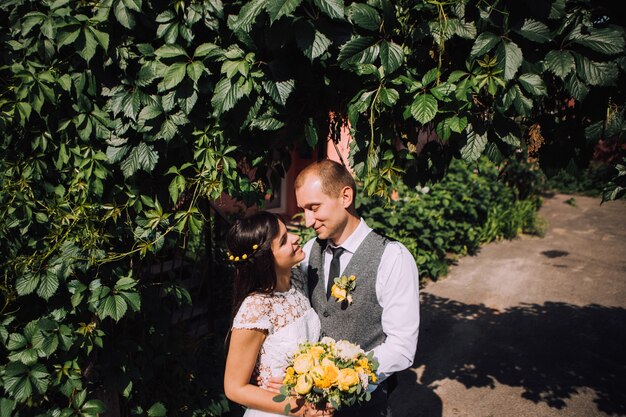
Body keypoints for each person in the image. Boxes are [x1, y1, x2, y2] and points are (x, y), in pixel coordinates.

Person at [293, 159, 420, 417]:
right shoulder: (308, 252)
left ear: (345, 196)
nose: (308, 221)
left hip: (365, 404)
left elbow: (402, 347)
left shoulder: (392, 257)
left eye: (314, 207)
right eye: (303, 210)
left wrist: (343, 378)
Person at [223, 211, 332, 417]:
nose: (296, 238)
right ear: (265, 260)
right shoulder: (256, 308)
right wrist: (301, 409)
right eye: (283, 241)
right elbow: (234, 388)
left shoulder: (298, 279)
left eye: (288, 232)